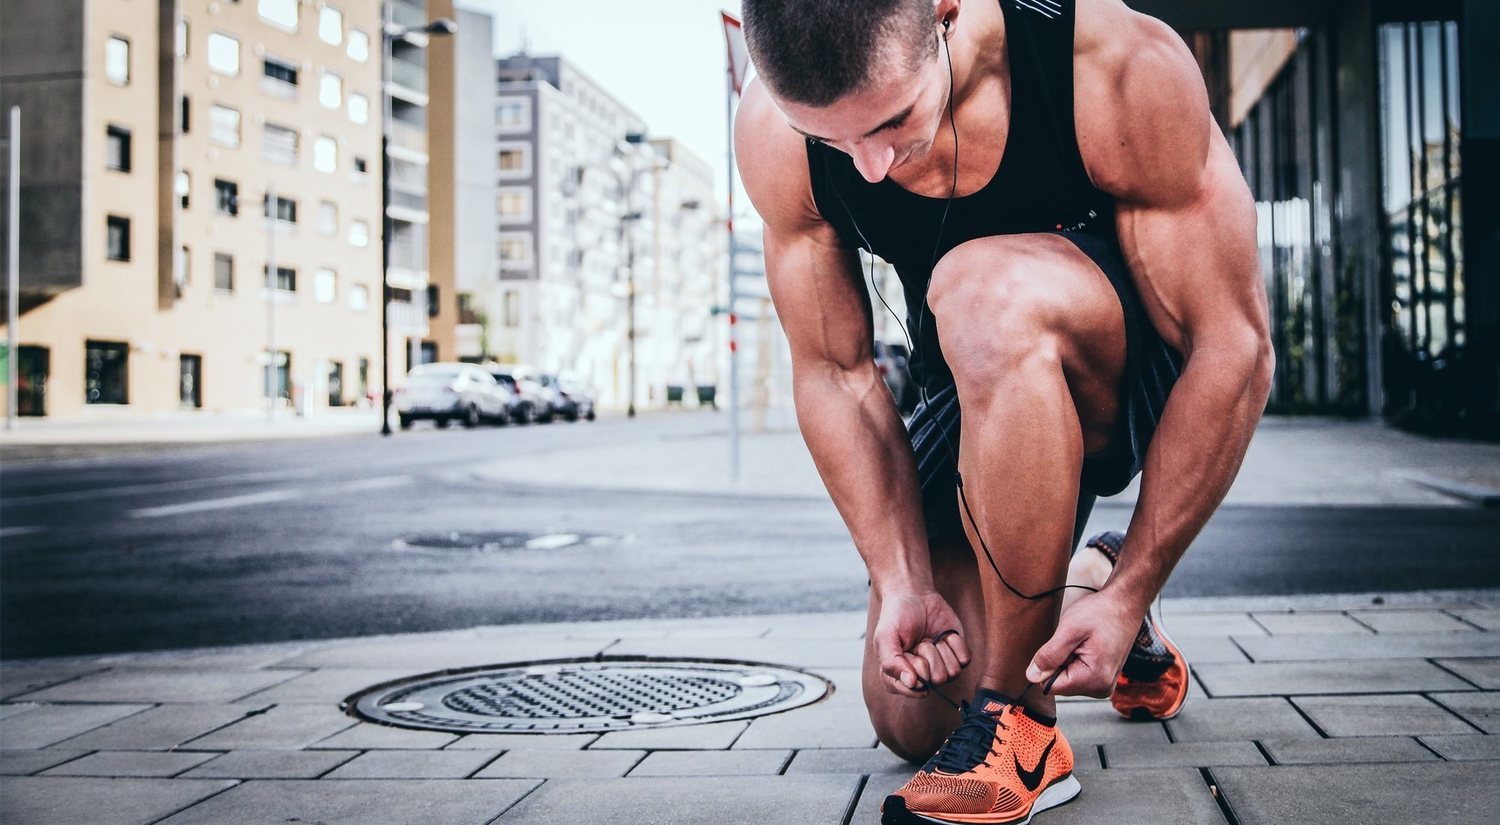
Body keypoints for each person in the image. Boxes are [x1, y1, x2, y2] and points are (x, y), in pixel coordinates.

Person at [734, 0, 1273, 822]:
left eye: (890, 120)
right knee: (913, 714)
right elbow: (836, 372)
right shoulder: (774, 130)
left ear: (945, 12)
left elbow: (1234, 346)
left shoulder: (1107, 61)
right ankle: (1081, 573)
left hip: (1124, 369)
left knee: (980, 288)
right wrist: (901, 577)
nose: (869, 167)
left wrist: (1138, 584)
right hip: (972, 377)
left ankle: (1024, 729)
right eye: (832, 141)